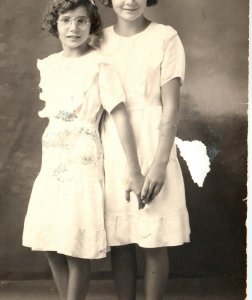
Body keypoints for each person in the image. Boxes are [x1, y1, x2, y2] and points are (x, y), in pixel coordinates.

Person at [22, 0, 145, 299]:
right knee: (51, 244)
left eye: (81, 21)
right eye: (66, 20)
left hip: (82, 160)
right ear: (56, 25)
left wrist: (134, 168)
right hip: (52, 160)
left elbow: (120, 117)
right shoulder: (49, 65)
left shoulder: (100, 65)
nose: (73, 28)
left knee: (74, 248)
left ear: (91, 26)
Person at [99, 0, 191, 299]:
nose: (130, 1)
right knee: (121, 241)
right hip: (112, 144)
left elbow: (172, 107)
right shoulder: (97, 40)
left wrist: (159, 163)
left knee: (154, 238)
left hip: (155, 142)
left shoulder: (165, 37)